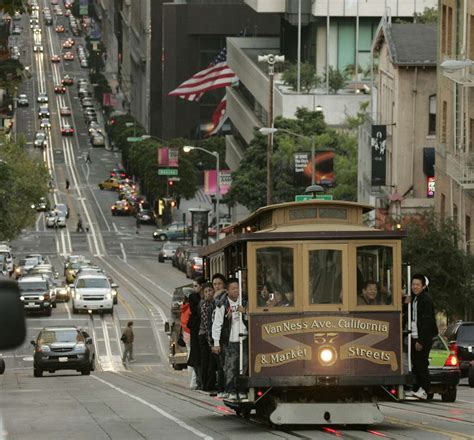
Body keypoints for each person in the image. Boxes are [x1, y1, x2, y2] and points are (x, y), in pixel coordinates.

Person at [211, 277, 248, 401]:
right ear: (227, 291)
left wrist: (245, 313)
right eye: (233, 288)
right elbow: (217, 324)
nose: (236, 290)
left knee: (244, 366)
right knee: (231, 367)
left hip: (244, 339)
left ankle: (242, 390)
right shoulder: (222, 304)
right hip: (230, 340)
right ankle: (231, 390)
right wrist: (216, 342)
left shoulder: (244, 301)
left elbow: (252, 319)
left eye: (238, 288)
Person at [409, 274, 438, 400]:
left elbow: (427, 322)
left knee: (421, 363)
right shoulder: (415, 299)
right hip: (415, 335)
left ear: (424, 286)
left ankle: (425, 390)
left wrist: (421, 340)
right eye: (413, 284)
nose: (414, 287)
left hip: (423, 337)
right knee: (415, 362)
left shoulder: (426, 300)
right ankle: (417, 388)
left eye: (417, 285)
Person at [208, 273, 227, 397]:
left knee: (224, 364)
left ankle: (224, 389)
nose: (217, 286)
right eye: (215, 284)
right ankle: (222, 388)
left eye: (219, 283)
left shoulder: (224, 297)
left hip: (224, 335)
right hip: (216, 336)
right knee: (220, 364)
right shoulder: (213, 299)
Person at [198, 282, 217, 393]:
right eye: (206, 292)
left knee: (209, 361)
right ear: (203, 295)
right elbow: (207, 324)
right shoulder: (205, 306)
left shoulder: (214, 303)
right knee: (208, 361)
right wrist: (210, 341)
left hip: (209, 336)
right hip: (205, 336)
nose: (208, 293)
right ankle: (207, 384)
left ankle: (207, 384)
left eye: (210, 290)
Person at [187, 279, 203, 390]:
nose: (194, 288)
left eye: (196, 286)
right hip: (195, 331)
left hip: (200, 331)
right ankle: (197, 381)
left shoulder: (202, 297)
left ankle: (199, 381)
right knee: (195, 356)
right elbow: (195, 310)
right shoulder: (193, 297)